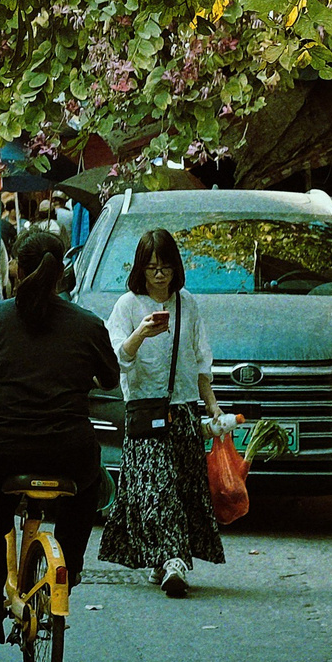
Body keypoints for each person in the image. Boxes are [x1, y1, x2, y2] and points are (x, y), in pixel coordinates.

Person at [0, 230, 122, 648]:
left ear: (19, 270)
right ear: (64, 271)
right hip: (69, 448)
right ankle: (70, 565)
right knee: (87, 490)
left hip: (1, 447)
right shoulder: (87, 324)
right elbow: (111, 379)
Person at [98, 227, 234, 597]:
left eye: (166, 267)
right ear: (140, 269)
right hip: (144, 411)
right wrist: (140, 333)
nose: (159, 274)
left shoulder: (187, 303)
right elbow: (116, 361)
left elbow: (201, 360)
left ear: (176, 268)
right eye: (152, 267)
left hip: (183, 410)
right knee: (156, 490)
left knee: (182, 489)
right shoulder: (127, 306)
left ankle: (166, 558)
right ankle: (174, 561)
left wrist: (213, 409)